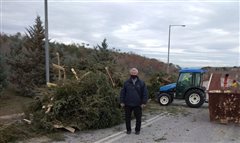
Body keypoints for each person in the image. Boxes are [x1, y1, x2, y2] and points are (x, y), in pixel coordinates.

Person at [120, 68, 148, 135]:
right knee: (127, 118)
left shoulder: (141, 83)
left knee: (138, 118)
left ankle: (137, 130)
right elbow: (122, 92)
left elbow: (145, 93)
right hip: (127, 104)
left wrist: (144, 102)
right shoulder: (126, 82)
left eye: (135, 73)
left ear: (137, 73)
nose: (133, 74)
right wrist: (122, 101)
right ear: (130, 73)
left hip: (138, 104)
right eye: (132, 73)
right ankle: (128, 130)